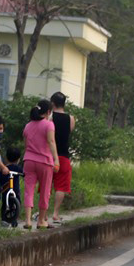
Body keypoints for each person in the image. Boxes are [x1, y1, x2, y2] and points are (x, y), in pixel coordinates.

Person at [22, 99, 60, 229]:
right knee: (45, 191)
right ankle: (41, 221)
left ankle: (27, 221)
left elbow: (26, 145)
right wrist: (56, 159)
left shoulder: (28, 125)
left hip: (29, 160)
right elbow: (51, 141)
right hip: (45, 161)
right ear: (48, 112)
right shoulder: (49, 125)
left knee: (29, 190)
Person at [50, 92, 75, 224]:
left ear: (52, 103)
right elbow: (69, 132)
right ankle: (55, 213)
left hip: (49, 156)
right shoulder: (70, 118)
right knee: (61, 186)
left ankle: (42, 212)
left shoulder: (50, 117)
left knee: (47, 183)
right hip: (64, 156)